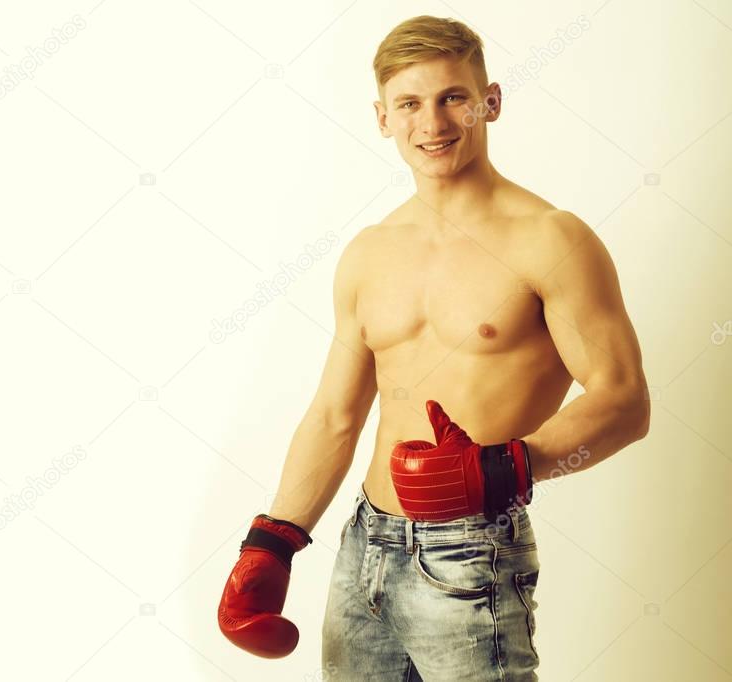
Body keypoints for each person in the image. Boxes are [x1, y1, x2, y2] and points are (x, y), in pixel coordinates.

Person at [217, 14, 650, 680]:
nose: (433, 122)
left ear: (490, 102)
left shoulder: (550, 239)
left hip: (472, 549)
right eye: (409, 104)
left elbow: (623, 403)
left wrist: (503, 469)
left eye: (452, 96)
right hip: (365, 542)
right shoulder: (369, 252)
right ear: (382, 118)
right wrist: (273, 538)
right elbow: (335, 414)